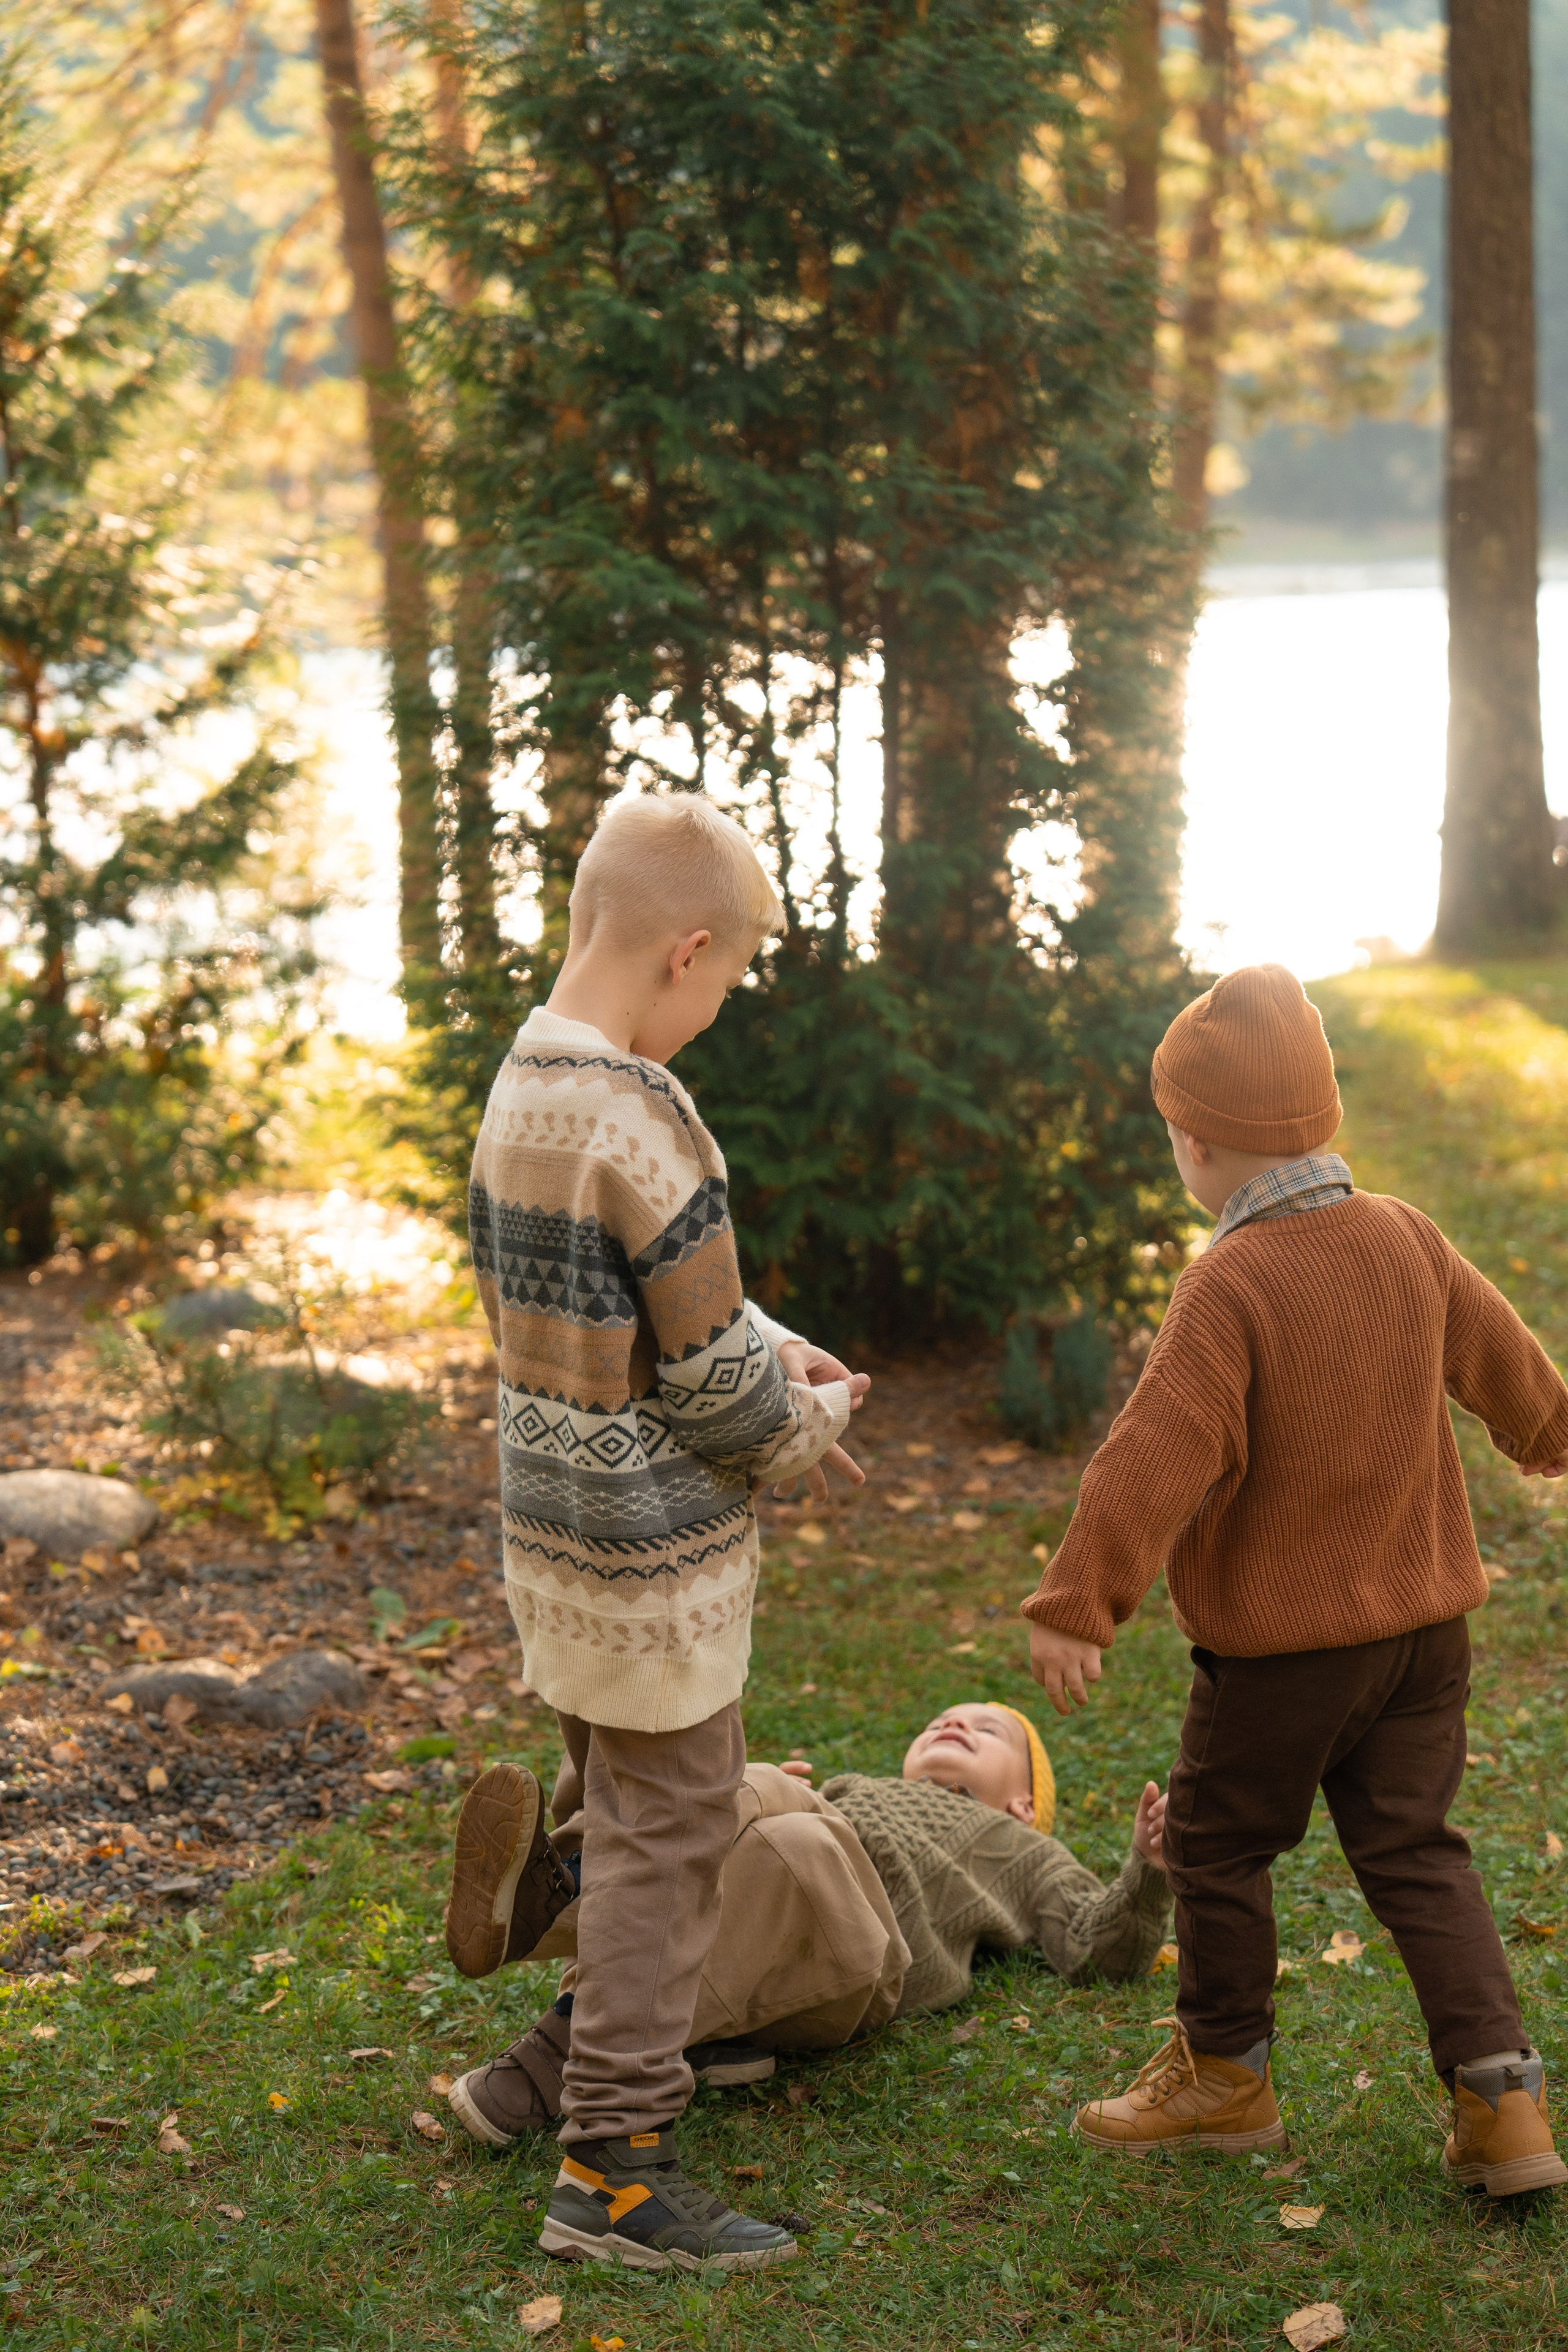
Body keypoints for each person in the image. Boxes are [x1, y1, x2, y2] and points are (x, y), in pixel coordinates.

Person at [1022, 962, 1568, 2198]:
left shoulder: (1228, 1284)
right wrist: (1548, 1430)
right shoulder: (1404, 1235)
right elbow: (1501, 1352)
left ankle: (1223, 2075)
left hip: (1282, 1656)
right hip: (1423, 1637)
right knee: (1417, 1850)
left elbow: (1150, 1459)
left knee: (1215, 1846)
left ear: (1198, 1143)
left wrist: (1077, 1602)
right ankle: (1502, 2104)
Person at [448, 793, 869, 2274]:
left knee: (622, 1800)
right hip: (652, 1565)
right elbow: (713, 1392)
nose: (714, 1011)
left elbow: (607, 1310)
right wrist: (807, 1417)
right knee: (675, 1831)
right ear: (686, 950)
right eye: (727, 980)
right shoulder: (645, 1114)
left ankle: (548, 1954)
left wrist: (773, 1341)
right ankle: (616, 2173)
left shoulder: (521, 1086)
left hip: (555, 1547)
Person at [441, 1700, 1173, 2162]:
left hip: (868, 1958)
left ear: (1023, 1804)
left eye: (987, 1729)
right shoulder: (849, 1791)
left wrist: (1148, 1868)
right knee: (773, 1824)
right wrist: (774, 1795)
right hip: (772, 1940)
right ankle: (601, 2019)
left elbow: (1096, 1950)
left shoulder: (1027, 1851)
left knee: (791, 1832)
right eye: (940, 1720)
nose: (955, 1724)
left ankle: (557, 1902)